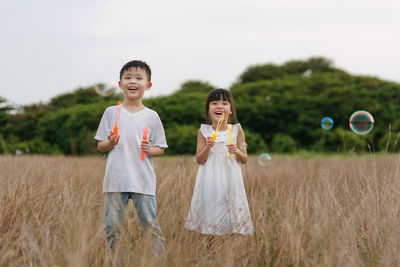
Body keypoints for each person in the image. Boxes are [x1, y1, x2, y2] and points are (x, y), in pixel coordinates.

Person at [95, 60, 167, 259]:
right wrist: (110, 143)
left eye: (138, 78)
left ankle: (158, 262)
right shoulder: (111, 113)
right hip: (115, 181)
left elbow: (161, 148)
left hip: (143, 181)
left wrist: (150, 149)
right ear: (120, 84)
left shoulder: (152, 116)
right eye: (127, 78)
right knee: (112, 229)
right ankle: (115, 262)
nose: (132, 81)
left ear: (148, 85)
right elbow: (101, 145)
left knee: (151, 228)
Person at [184, 88, 253, 235]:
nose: (219, 106)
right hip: (210, 179)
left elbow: (244, 159)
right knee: (212, 210)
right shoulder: (204, 131)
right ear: (208, 110)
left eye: (224, 103)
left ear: (231, 110)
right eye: (214, 103)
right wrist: (208, 146)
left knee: (230, 209)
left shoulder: (236, 130)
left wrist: (237, 151)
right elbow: (199, 160)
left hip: (231, 178)